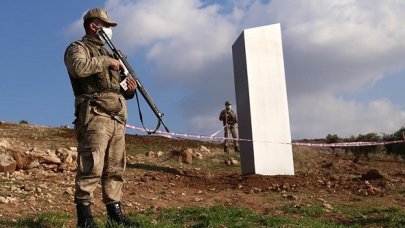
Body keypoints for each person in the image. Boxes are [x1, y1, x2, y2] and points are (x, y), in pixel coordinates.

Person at [64, 8, 139, 227]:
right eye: (106, 25)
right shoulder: (78, 48)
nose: (109, 30)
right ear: (93, 25)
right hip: (95, 115)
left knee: (115, 168)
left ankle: (115, 214)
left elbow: (119, 87)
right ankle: (85, 217)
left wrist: (129, 88)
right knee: (92, 166)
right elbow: (78, 68)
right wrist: (107, 62)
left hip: (117, 118)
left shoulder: (111, 54)